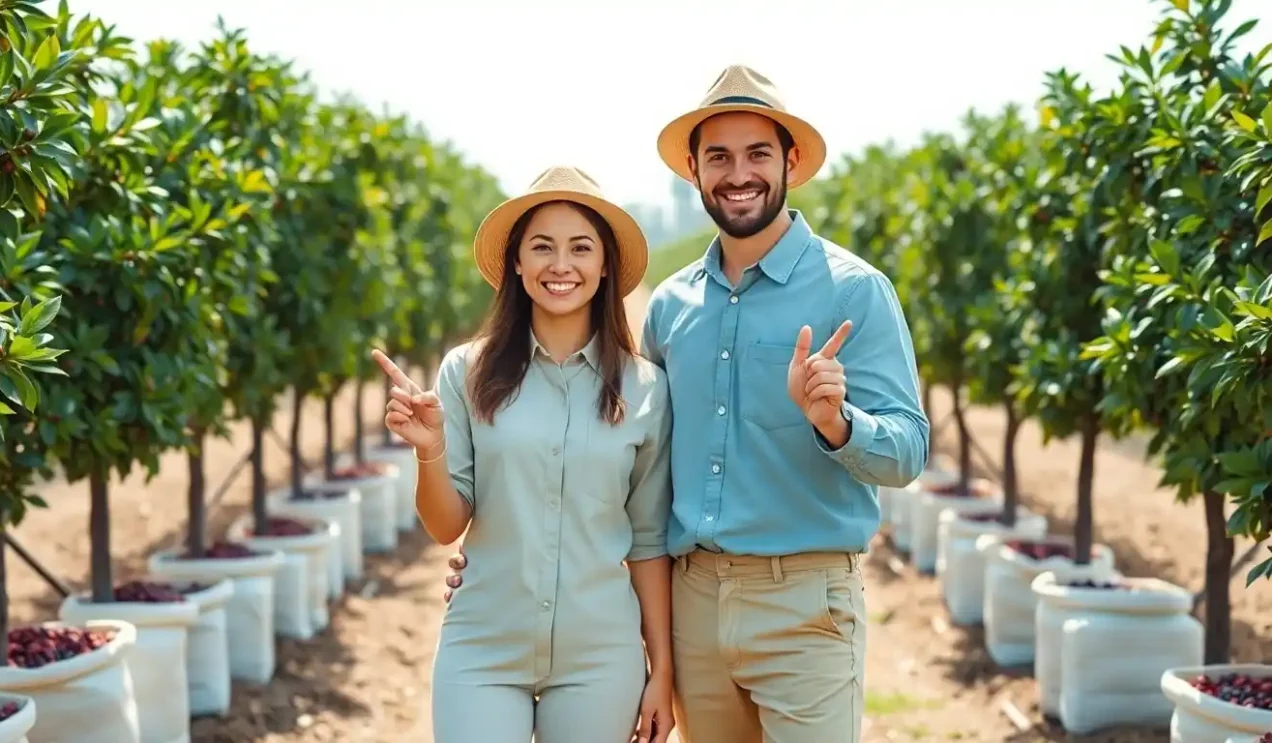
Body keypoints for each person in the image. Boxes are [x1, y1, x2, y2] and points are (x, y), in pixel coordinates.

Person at [446, 65, 929, 742]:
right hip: (693, 602)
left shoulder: (854, 290)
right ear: (695, 173)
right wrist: (510, 552)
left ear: (790, 161)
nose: (739, 174)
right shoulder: (672, 307)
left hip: (805, 606)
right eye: (719, 158)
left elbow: (909, 449)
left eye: (758, 153)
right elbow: (634, 469)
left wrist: (838, 422)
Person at [372, 165, 676, 743]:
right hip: (483, 646)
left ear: (605, 264)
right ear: (516, 262)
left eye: (580, 248)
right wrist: (430, 450)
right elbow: (444, 527)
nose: (561, 265)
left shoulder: (646, 390)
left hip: (601, 656)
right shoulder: (466, 372)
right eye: (542, 247)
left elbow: (648, 542)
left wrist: (661, 669)